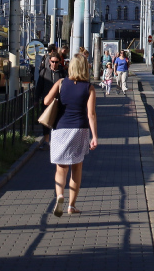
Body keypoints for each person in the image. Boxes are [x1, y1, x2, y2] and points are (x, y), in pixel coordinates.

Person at [42, 53, 99, 217]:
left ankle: (59, 195)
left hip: (60, 129)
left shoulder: (60, 83)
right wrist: (94, 137)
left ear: (71, 67)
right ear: (85, 68)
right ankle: (71, 206)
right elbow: (91, 114)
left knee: (61, 167)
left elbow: (46, 101)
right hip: (79, 130)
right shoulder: (89, 87)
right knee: (76, 167)